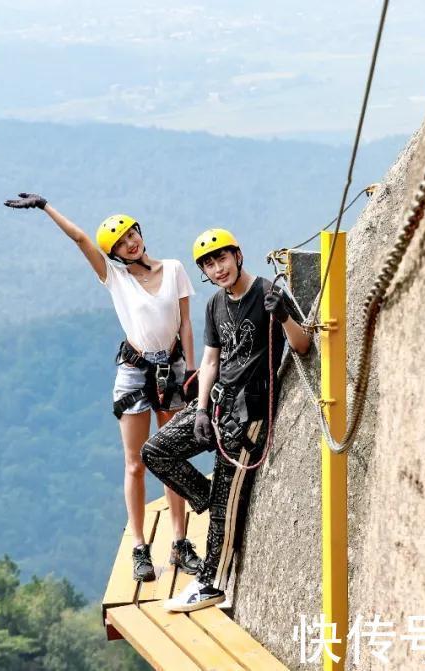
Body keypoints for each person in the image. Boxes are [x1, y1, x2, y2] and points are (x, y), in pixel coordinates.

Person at [3, 193, 203, 582]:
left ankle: (179, 543)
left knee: (172, 458)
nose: (132, 242)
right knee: (136, 462)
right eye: (123, 242)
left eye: (133, 234)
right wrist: (45, 207)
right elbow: (81, 240)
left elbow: (187, 324)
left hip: (173, 368)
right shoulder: (116, 278)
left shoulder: (175, 269)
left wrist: (191, 371)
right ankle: (140, 548)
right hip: (134, 372)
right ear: (115, 254)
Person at [141, 228, 311, 612]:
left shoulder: (267, 293)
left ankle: (212, 584)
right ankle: (215, 503)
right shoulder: (216, 304)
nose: (217, 269)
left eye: (221, 259)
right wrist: (200, 410)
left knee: (223, 498)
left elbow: (303, 345)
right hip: (218, 404)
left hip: (249, 414)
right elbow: (211, 361)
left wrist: (283, 314)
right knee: (155, 451)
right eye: (209, 265)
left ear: (237, 255)